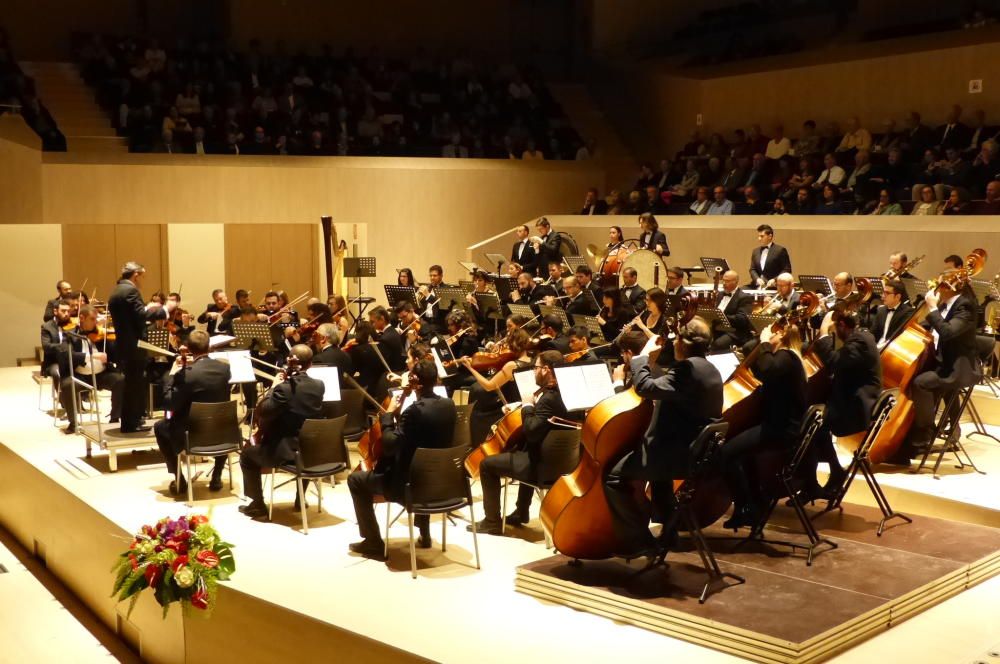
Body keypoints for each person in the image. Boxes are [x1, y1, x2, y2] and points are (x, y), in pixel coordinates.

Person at [604, 318, 722, 555]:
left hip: (675, 454)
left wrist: (640, 359)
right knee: (660, 483)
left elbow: (646, 387)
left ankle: (640, 542)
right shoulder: (709, 368)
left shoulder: (686, 369)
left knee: (613, 476)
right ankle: (670, 537)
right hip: (692, 451)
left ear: (682, 343)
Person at [346, 359, 457, 558]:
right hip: (440, 483)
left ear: (416, 382)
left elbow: (389, 445)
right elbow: (416, 435)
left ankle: (373, 543)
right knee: (424, 462)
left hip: (407, 486)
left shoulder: (414, 411)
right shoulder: (449, 405)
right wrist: (405, 396)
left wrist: (388, 416)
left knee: (355, 480)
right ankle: (424, 533)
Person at [470, 350, 567, 534]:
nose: (534, 372)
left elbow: (531, 432)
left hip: (540, 466)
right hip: (564, 462)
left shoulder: (548, 399)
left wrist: (528, 405)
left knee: (486, 464)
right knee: (522, 448)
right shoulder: (567, 393)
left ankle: (492, 522)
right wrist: (523, 407)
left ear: (546, 370)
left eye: (536, 368)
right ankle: (521, 511)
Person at [720, 321, 807, 528]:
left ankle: (744, 506)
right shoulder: (787, 359)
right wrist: (760, 343)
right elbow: (759, 366)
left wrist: (765, 342)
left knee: (725, 453)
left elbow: (767, 368)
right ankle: (755, 502)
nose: (770, 334)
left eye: (774, 332)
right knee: (744, 454)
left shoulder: (787, 357)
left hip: (780, 430)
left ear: (782, 335)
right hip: (778, 426)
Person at [895, 279, 979, 461]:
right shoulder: (945, 305)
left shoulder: (965, 307)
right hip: (942, 362)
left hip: (957, 367)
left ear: (950, 289)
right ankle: (912, 431)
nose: (936, 289)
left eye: (940, 285)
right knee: (917, 377)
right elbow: (929, 325)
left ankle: (925, 432)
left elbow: (947, 331)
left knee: (921, 383)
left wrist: (932, 307)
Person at [801, 308, 882, 498]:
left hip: (856, 408)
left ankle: (811, 485)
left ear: (843, 325)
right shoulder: (863, 336)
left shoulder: (858, 342)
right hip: (854, 400)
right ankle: (833, 473)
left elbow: (834, 361)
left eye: (836, 329)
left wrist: (823, 336)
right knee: (816, 427)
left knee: (808, 429)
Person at [239, 344, 325, 518]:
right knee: (304, 438)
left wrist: (274, 386)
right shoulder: (319, 385)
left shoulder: (284, 389)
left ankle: (257, 504)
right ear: (310, 365)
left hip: (286, 452)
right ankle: (300, 499)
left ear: (289, 362)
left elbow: (264, 411)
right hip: (311, 450)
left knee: (247, 455)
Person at [153, 330, 230, 494]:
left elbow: (169, 404)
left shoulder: (186, 374)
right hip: (223, 433)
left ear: (188, 348)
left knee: (160, 427)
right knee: (220, 418)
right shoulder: (225, 369)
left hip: (193, 436)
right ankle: (216, 476)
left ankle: (179, 478)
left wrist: (172, 375)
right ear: (209, 347)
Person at [108, 261, 174, 433]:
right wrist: (165, 309)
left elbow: (133, 315)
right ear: (135, 274)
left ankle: (132, 420)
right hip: (133, 347)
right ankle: (131, 423)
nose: (142, 280)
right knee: (134, 385)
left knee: (132, 384)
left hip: (124, 345)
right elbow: (141, 316)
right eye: (142, 276)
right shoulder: (130, 290)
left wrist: (146, 307)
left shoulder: (117, 290)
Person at [42, 302, 124, 434]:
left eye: (96, 319)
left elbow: (114, 355)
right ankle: (73, 422)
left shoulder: (101, 335)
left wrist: (114, 347)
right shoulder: (70, 335)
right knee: (68, 384)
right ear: (82, 318)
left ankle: (115, 418)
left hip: (101, 375)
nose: (95, 322)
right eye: (92, 319)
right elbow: (66, 355)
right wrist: (91, 356)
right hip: (79, 376)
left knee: (119, 380)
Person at [461, 329, 534, 445]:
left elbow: (489, 386)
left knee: (477, 412)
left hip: (507, 409)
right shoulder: (533, 361)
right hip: (522, 405)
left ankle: (478, 445)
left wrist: (470, 368)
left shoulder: (512, 365)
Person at [710, 270, 754, 351]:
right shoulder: (720, 294)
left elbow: (742, 319)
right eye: (723, 280)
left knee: (718, 344)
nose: (724, 283)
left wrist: (721, 316)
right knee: (700, 339)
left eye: (727, 281)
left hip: (734, 332)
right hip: (718, 328)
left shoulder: (744, 297)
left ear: (736, 282)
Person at [870, 280, 914, 350]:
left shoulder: (908, 312)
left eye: (887, 293)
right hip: (877, 347)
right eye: (883, 292)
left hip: (892, 349)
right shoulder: (881, 310)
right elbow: (873, 333)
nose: (882, 295)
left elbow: (899, 338)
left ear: (897, 297)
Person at [749, 224, 792, 289]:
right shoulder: (755, 251)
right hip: (756, 286)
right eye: (758, 236)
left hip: (773, 286)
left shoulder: (780, 250)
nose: (759, 239)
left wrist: (775, 279)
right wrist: (757, 279)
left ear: (770, 236)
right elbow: (752, 269)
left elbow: (787, 269)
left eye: (762, 236)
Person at [369, 306, 406, 372]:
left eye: (372, 322)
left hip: (391, 373)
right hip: (397, 369)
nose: (371, 325)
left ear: (382, 319)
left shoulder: (385, 338)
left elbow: (380, 363)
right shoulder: (392, 330)